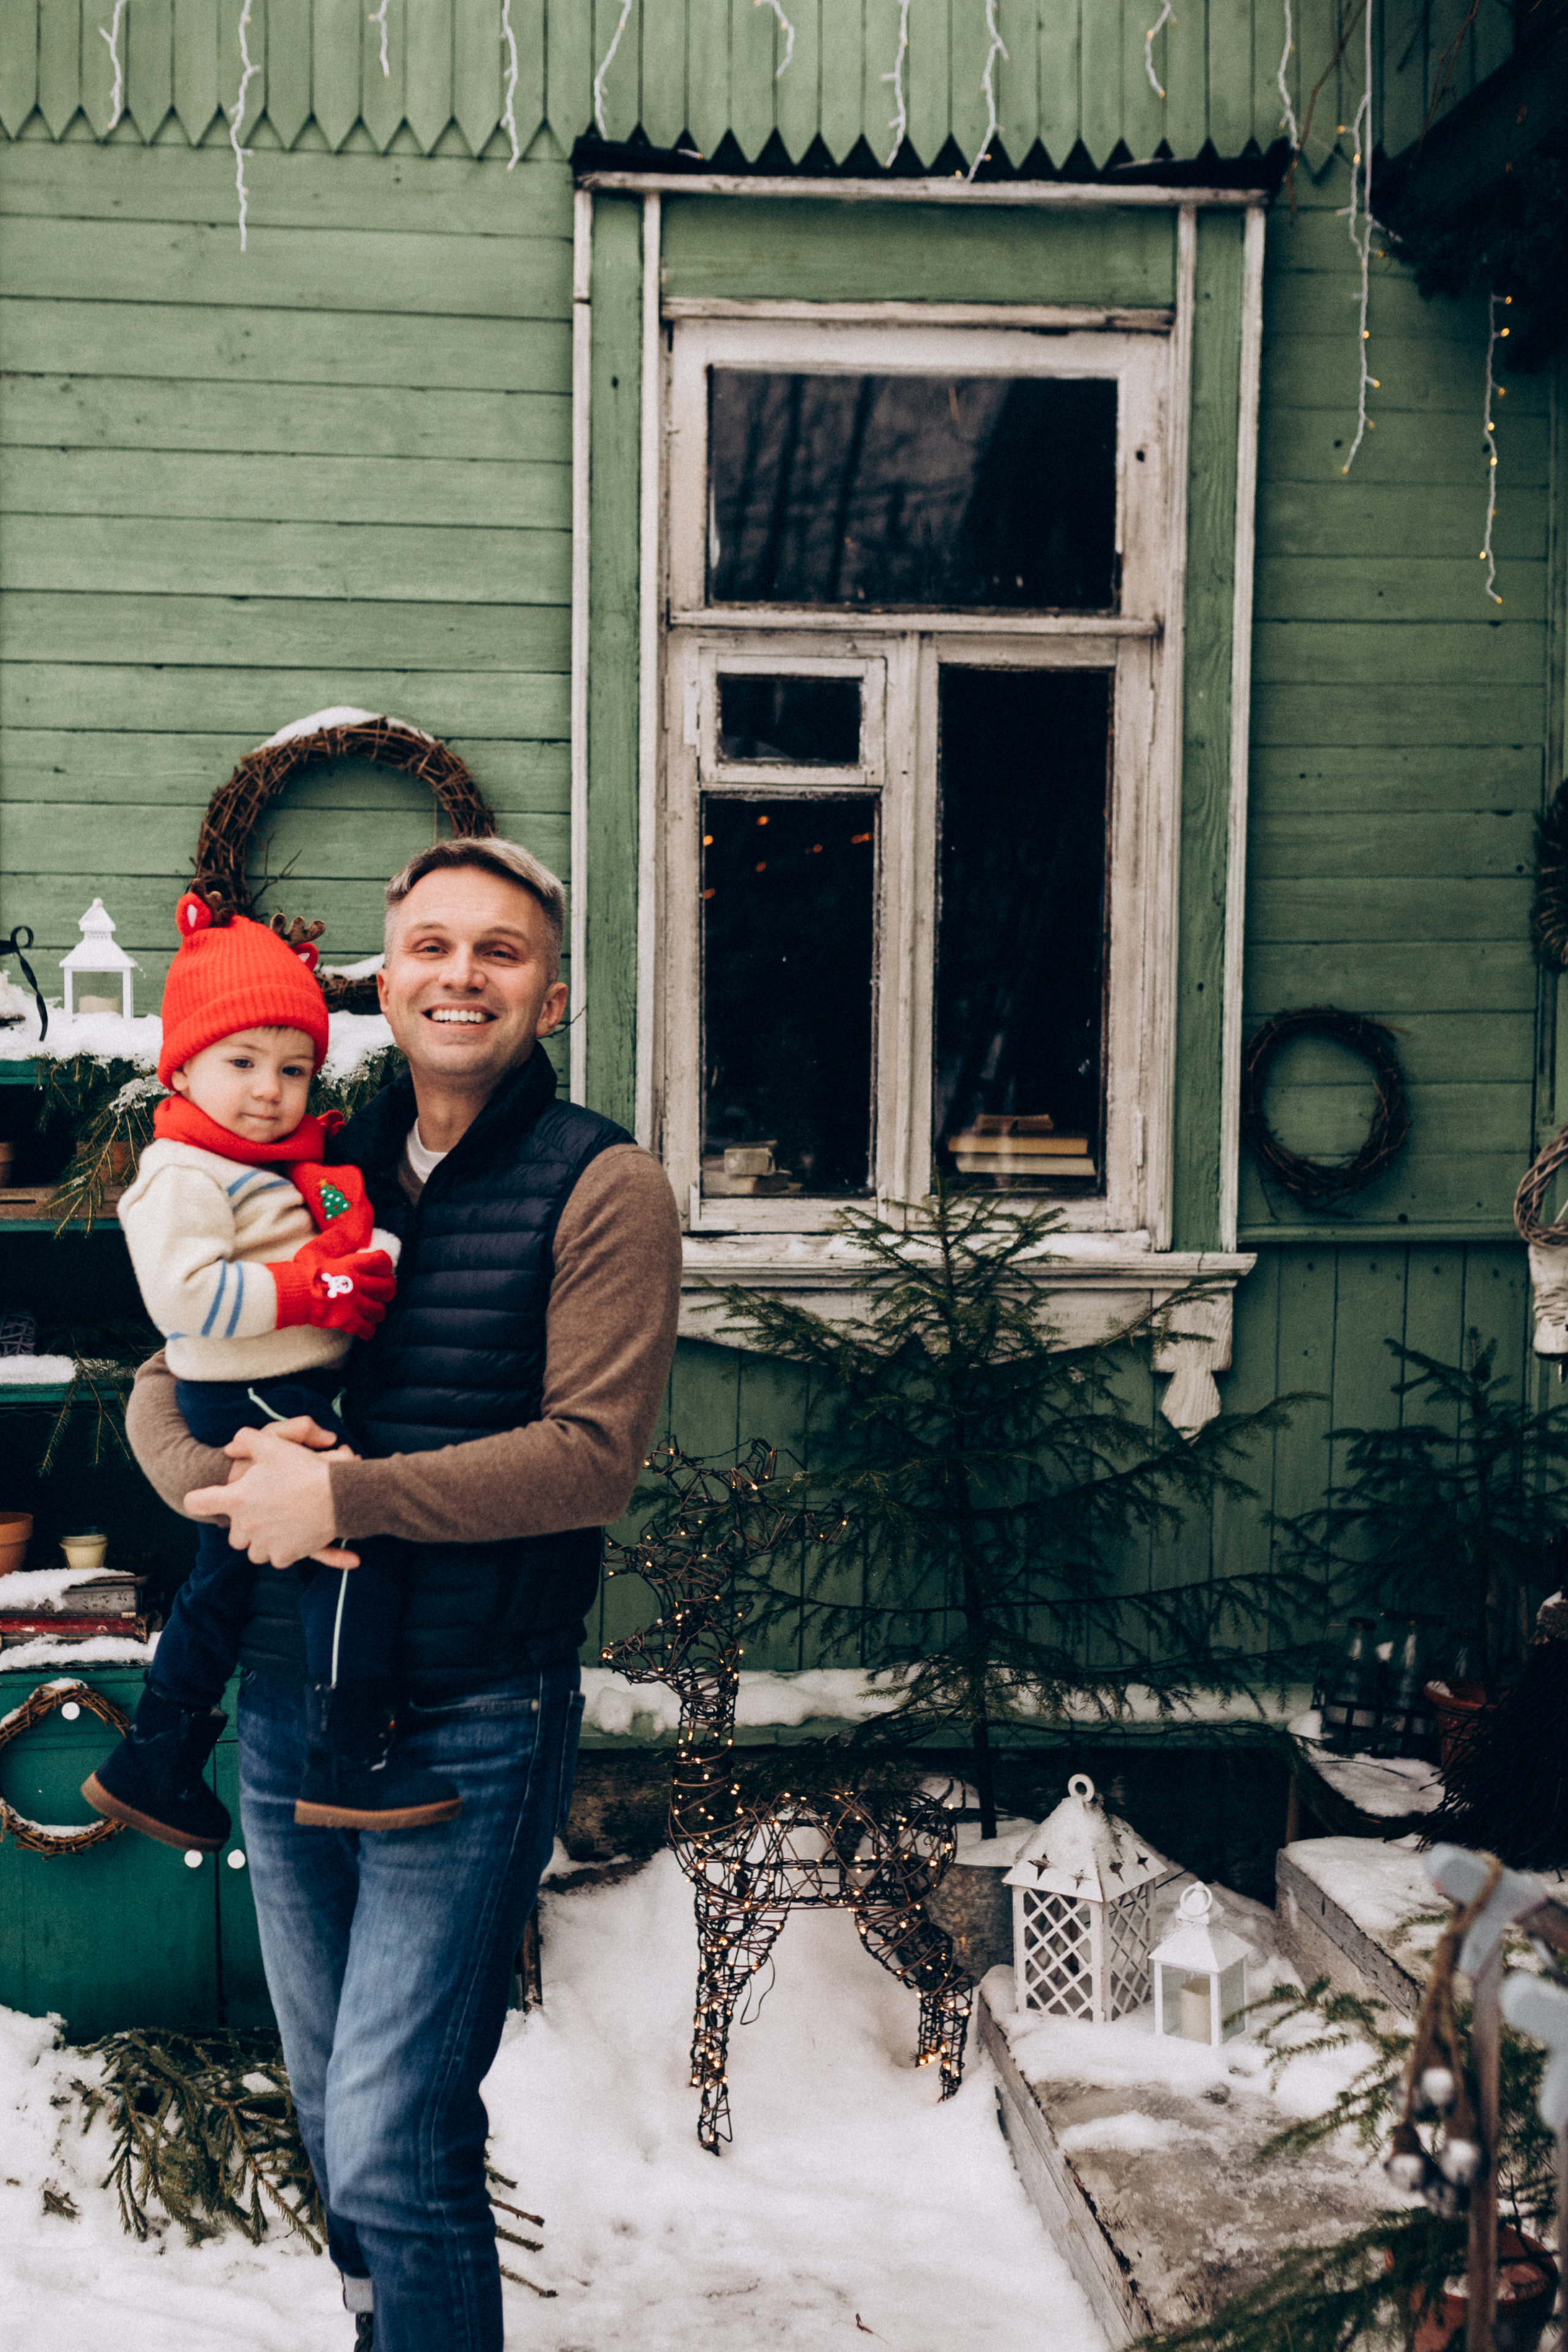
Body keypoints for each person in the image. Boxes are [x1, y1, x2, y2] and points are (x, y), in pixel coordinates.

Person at [125, 837, 683, 2352]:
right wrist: (225, 1483)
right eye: (429, 946)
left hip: (472, 1716)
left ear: (548, 993)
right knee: (328, 2114)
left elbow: (589, 1459)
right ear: (386, 980)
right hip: (291, 1709)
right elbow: (160, 1386)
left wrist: (347, 1495)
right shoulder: (312, 1161)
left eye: (497, 952)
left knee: (390, 2122)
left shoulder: (604, 1187)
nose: (459, 975)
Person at [85, 892, 461, 1849]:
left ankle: (157, 1753)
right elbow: (184, 1299)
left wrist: (362, 1252)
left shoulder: (274, 1162)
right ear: (185, 1067)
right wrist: (312, 1289)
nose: (270, 1090)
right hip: (249, 1386)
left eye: (294, 1068)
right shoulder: (182, 1170)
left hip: (280, 1376)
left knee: (227, 1573)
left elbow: (323, 1235)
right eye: (242, 1064)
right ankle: (350, 1751)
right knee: (347, 1534)